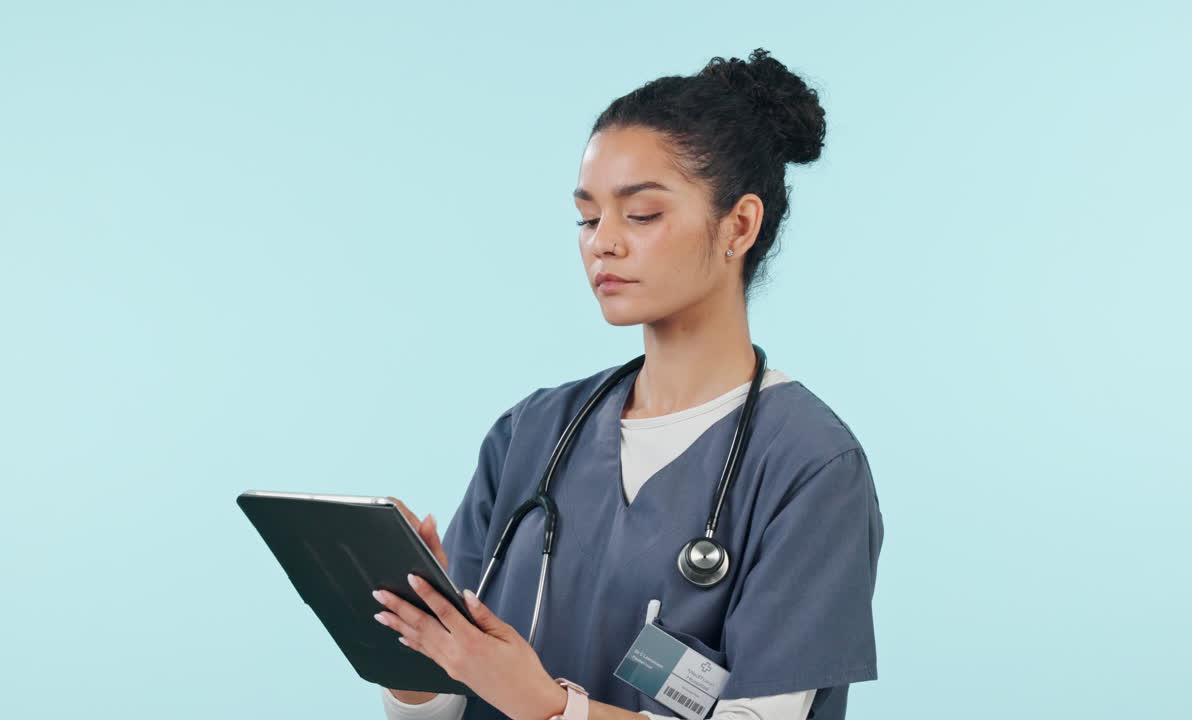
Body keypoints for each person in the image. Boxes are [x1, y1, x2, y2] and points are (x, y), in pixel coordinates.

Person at [370, 47, 884, 720]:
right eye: (588, 217)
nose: (602, 243)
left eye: (640, 215)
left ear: (740, 225)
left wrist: (549, 705)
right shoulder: (531, 433)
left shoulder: (810, 465)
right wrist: (413, 647)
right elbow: (445, 709)